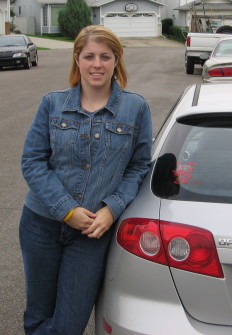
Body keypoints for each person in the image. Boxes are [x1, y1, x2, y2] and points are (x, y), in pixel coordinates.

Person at [19, 25, 152, 335]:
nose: (97, 64)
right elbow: (33, 161)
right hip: (41, 224)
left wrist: (112, 208)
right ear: (77, 59)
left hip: (92, 232)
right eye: (89, 56)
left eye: (105, 57)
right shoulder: (52, 104)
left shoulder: (135, 109)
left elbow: (139, 165)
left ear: (116, 60)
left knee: (68, 325)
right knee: (38, 315)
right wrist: (66, 209)